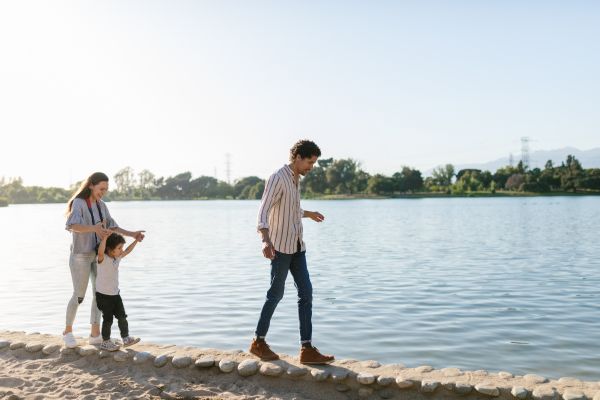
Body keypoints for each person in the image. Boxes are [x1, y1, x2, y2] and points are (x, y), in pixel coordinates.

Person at [249, 139, 335, 365]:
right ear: (297, 157)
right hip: (280, 249)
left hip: (297, 247)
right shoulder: (278, 177)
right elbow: (263, 213)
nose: (311, 167)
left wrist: (309, 213)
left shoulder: (295, 179)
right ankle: (258, 341)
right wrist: (265, 242)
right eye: (310, 162)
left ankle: (306, 349)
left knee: (306, 294)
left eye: (314, 163)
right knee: (275, 295)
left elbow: (290, 209)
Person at [63, 172, 145, 348]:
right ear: (91, 185)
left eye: (106, 189)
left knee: (98, 295)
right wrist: (93, 228)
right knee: (79, 295)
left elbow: (112, 226)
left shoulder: (102, 205)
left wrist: (133, 235)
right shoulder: (79, 203)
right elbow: (71, 225)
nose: (103, 192)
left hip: (98, 255)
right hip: (80, 256)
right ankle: (68, 331)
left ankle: (95, 334)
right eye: (101, 188)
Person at [95, 232, 141, 351]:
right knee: (108, 319)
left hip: (115, 295)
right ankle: (105, 342)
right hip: (103, 296)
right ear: (110, 249)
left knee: (122, 316)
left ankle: (125, 338)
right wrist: (104, 238)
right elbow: (101, 251)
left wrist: (136, 241)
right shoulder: (102, 258)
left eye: (121, 248)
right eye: (119, 248)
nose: (122, 250)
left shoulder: (117, 258)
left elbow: (128, 251)